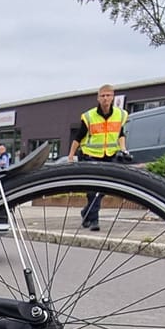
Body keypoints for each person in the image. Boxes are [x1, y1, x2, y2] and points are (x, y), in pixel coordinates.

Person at [66, 84, 129, 230]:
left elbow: (120, 134)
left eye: (108, 95)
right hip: (90, 155)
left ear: (113, 97)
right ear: (98, 98)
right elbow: (78, 137)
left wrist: (123, 149)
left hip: (109, 155)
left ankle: (86, 212)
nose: (106, 98)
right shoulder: (89, 116)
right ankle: (94, 221)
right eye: (103, 96)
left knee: (103, 189)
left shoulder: (120, 115)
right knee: (93, 189)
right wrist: (71, 155)